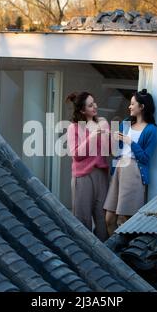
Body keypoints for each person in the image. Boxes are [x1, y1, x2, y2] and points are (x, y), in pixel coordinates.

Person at [103, 89, 157, 236]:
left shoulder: (151, 130)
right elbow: (115, 150)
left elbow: (146, 158)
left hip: (134, 172)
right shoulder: (125, 124)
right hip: (119, 169)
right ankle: (111, 253)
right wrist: (111, 138)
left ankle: (123, 253)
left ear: (142, 107)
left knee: (124, 218)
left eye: (132, 104)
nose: (129, 107)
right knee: (109, 218)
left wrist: (130, 142)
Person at [66, 91, 110, 241]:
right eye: (90, 105)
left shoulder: (101, 122)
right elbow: (77, 155)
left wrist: (104, 130)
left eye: (94, 102)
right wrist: (92, 136)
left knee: (102, 217)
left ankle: (104, 253)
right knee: (82, 217)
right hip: (83, 176)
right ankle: (84, 253)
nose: (95, 106)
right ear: (82, 110)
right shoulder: (74, 128)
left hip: (101, 174)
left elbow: (109, 150)